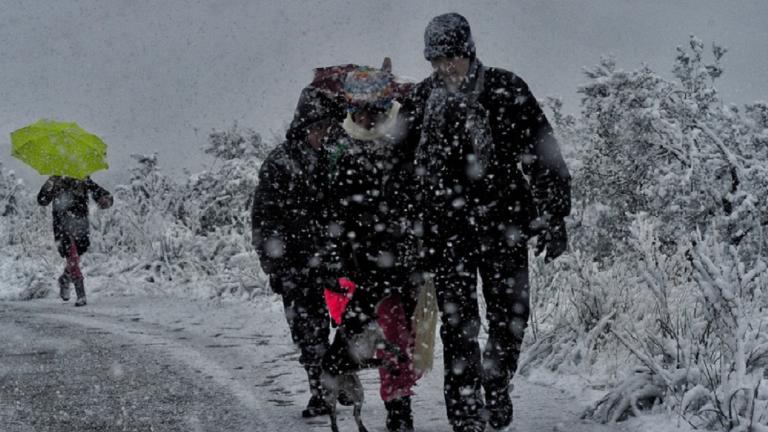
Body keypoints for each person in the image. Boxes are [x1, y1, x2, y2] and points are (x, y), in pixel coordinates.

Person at [400, 13, 572, 432]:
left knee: (511, 316)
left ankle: (496, 378)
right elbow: (399, 171)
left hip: (503, 223)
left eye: (451, 58)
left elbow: (542, 152)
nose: (444, 68)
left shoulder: (505, 89)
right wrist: (406, 228)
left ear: (469, 51)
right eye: (436, 60)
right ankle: (464, 413)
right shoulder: (422, 101)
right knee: (459, 327)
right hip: (445, 231)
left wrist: (553, 214)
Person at [319, 65, 421, 432]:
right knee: (363, 333)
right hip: (359, 263)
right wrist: (335, 252)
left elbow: (416, 201)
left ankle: (398, 407)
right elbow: (334, 209)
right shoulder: (341, 150)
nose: (364, 117)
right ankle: (348, 384)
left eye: (371, 110)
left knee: (397, 336)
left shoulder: (404, 145)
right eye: (358, 110)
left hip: (400, 260)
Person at [250, 85, 348, 418]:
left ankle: (340, 373)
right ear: (303, 125)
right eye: (317, 127)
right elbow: (265, 217)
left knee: (350, 321)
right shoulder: (280, 162)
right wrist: (275, 264)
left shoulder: (338, 158)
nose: (322, 134)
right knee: (308, 329)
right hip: (295, 262)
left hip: (336, 258)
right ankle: (321, 390)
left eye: (327, 128)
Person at [37, 175, 113, 306]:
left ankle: (65, 278)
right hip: (62, 226)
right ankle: (81, 294)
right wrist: (49, 187)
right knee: (72, 255)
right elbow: (42, 200)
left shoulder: (82, 178)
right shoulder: (55, 180)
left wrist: (105, 199)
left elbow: (98, 192)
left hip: (80, 225)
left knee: (77, 255)